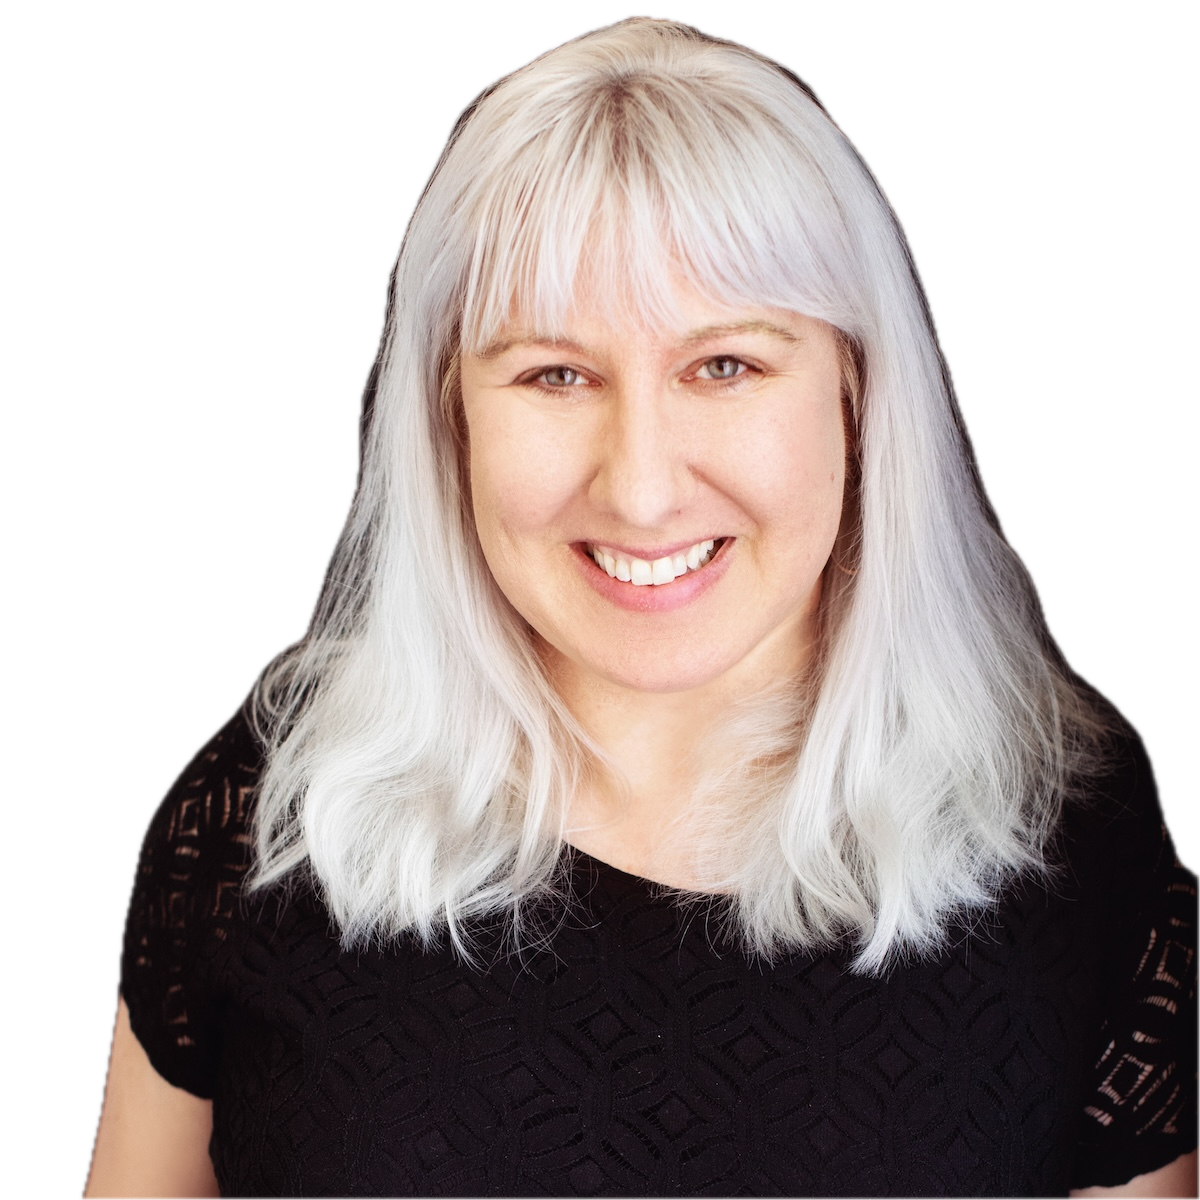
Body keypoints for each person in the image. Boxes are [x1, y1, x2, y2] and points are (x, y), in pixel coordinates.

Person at [85, 18, 1198, 1198]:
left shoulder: (1072, 831)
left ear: (857, 394)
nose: (644, 485)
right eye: (554, 374)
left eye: (725, 366)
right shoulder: (273, 806)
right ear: (449, 417)